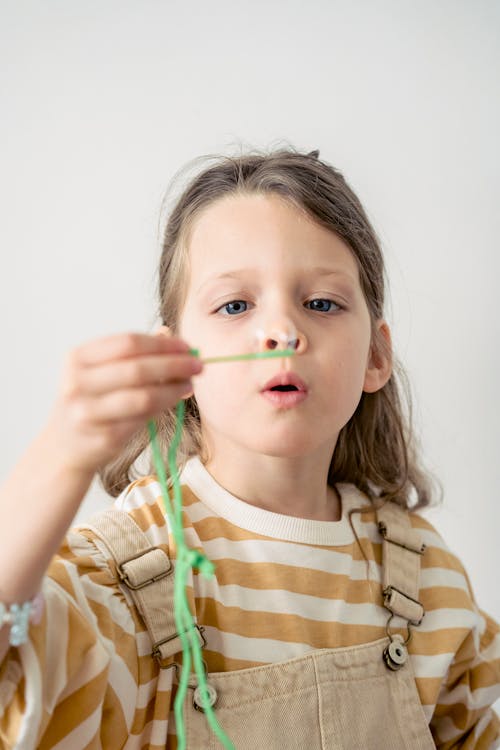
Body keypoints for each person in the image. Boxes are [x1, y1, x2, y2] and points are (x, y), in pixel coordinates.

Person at [0, 147, 498, 749]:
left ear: (375, 356)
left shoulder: (430, 582)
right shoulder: (125, 579)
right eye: (235, 305)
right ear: (172, 362)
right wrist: (58, 458)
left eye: (321, 303)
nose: (283, 331)